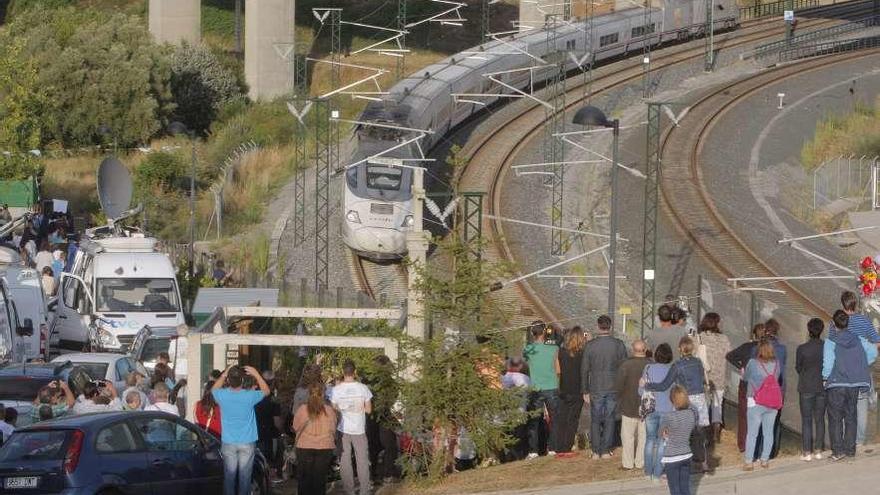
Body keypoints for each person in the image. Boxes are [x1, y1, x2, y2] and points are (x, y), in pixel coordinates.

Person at [643, 337, 709, 472]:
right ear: (692, 349)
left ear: (680, 349)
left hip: (685, 401)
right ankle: (703, 463)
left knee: (683, 435)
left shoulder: (677, 365)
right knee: (698, 434)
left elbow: (664, 385)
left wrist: (647, 385)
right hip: (700, 400)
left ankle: (686, 465)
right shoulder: (698, 363)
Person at [823, 310, 876, 461]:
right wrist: (861, 364)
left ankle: (838, 451)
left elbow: (827, 363)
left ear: (833, 323)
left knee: (835, 418)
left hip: (836, 383)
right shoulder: (858, 339)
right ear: (848, 323)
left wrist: (825, 378)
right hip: (854, 384)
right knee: (851, 416)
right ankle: (850, 449)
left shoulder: (830, 341)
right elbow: (873, 351)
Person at [211, 365, 271, 495]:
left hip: (228, 441)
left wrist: (224, 374)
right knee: (245, 477)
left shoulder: (222, 395)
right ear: (242, 380)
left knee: (229, 477)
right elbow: (266, 391)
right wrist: (256, 374)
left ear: (228, 380)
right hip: (247, 441)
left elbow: (213, 389)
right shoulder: (249, 396)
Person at [837, 290, 880, 452]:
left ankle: (844, 438)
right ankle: (859, 441)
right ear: (856, 304)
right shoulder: (864, 321)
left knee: (844, 405)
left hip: (843, 371)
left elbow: (833, 345)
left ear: (843, 304)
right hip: (862, 369)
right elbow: (877, 342)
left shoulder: (838, 322)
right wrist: (866, 353)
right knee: (861, 404)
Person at [581, 314, 628, 460]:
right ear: (611, 327)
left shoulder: (590, 346)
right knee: (609, 417)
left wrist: (585, 390)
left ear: (597, 327)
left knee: (595, 418)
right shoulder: (618, 344)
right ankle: (606, 450)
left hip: (595, 386)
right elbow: (624, 367)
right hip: (613, 385)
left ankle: (595, 451)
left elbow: (584, 369)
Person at [331, 360, 373, 495]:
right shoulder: (363, 388)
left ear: (343, 372)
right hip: (359, 429)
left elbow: (333, 410)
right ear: (354, 372)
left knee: (345, 461)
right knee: (362, 461)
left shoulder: (336, 390)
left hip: (342, 429)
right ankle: (364, 491)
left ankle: (349, 491)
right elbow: (369, 410)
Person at [523, 321, 560, 459]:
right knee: (554, 419)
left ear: (532, 333)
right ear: (544, 332)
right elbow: (557, 366)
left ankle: (533, 451)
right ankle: (553, 448)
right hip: (551, 386)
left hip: (536, 388)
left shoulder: (528, 349)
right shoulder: (554, 348)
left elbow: (527, 362)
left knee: (534, 420)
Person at [743, 340, 782, 470]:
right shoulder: (776, 364)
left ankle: (749, 462)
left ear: (759, 350)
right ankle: (765, 460)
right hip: (772, 402)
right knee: (768, 432)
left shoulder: (753, 363)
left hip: (755, 400)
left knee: (752, 433)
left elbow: (746, 377)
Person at [293, 379, 337, 495]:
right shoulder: (329, 411)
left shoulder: (302, 409)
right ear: (323, 394)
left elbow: (295, 427)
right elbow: (333, 429)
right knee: (320, 480)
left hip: (304, 446)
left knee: (304, 480)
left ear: (309, 393)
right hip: (324, 446)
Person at [726, 323, 766, 452]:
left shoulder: (746, 347)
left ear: (753, 335)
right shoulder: (767, 349)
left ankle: (742, 444)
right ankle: (757, 444)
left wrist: (740, 366)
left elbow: (729, 356)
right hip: (761, 384)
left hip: (745, 382)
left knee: (743, 414)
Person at [616, 340, 651, 470]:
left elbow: (618, 386)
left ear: (632, 349)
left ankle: (628, 463)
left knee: (627, 436)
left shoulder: (625, 365)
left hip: (628, 405)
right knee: (644, 436)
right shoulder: (651, 364)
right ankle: (640, 462)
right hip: (646, 406)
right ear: (645, 349)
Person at [642, 343, 674, 482]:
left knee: (649, 440)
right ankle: (657, 473)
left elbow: (641, 390)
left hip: (650, 408)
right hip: (667, 409)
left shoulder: (648, 368)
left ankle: (648, 472)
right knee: (662, 442)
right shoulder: (672, 370)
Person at [697, 313, 731, 444]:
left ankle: (705, 434)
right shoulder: (724, 338)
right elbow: (728, 353)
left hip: (704, 377)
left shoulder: (699, 338)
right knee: (717, 404)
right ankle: (716, 430)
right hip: (719, 377)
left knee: (704, 405)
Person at [796, 318, 827, 461]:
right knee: (820, 419)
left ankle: (807, 451)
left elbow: (798, 367)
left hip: (806, 386)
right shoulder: (826, 347)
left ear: (809, 331)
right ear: (821, 330)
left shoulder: (802, 348)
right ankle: (819, 450)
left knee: (807, 420)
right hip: (822, 386)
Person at [366, 355, 400, 482]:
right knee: (389, 445)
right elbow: (393, 397)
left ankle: (372, 475)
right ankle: (388, 474)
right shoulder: (390, 382)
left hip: (372, 416)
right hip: (383, 416)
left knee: (373, 446)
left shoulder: (368, 382)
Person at [757, 319, 787, 460]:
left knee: (759, 421)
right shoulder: (782, 349)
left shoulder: (757, 348)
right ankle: (771, 452)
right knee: (774, 422)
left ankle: (758, 451)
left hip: (761, 390)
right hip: (778, 389)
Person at [556, 327, 586, 457]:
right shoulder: (583, 354)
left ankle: (559, 446)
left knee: (562, 418)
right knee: (573, 420)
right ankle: (567, 446)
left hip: (564, 389)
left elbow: (558, 371)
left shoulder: (561, 352)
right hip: (577, 390)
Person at [660, 386, 696, 495]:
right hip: (686, 454)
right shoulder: (691, 414)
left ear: (672, 400)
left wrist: (667, 433)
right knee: (685, 488)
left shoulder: (669, 416)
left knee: (675, 489)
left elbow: (660, 433)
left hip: (672, 456)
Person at [255, 370, 283, 482]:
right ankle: (271, 477)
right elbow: (277, 421)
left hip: (254, 433)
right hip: (269, 434)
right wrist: (281, 430)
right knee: (270, 458)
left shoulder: (253, 395)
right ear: (272, 383)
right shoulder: (273, 399)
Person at [501, 357, 530, 461]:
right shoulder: (525, 378)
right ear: (521, 366)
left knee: (508, 440)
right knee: (518, 440)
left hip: (506, 415)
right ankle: (518, 457)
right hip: (520, 414)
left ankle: (507, 457)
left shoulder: (502, 378)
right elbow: (530, 392)